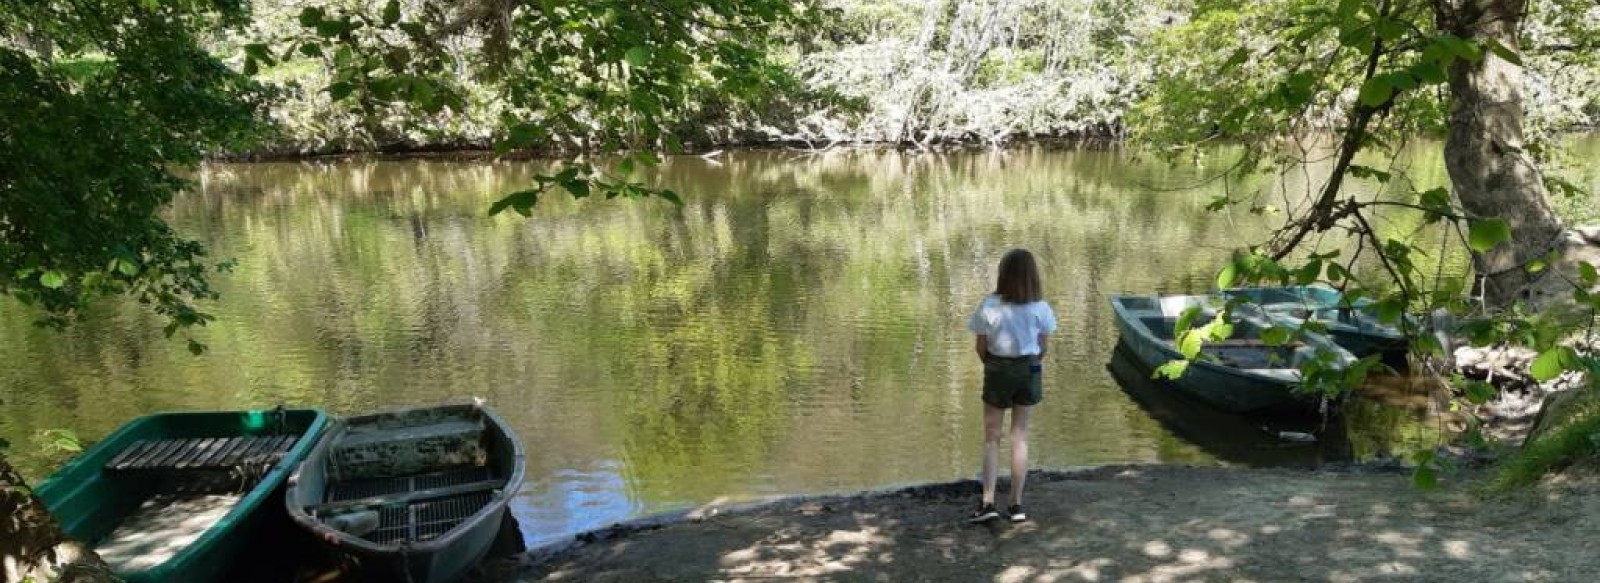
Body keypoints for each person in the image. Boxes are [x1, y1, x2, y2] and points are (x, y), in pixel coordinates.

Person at [966, 248, 1055, 523]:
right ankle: (1015, 504)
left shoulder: (989, 305)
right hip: (1029, 368)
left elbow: (981, 347)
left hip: (997, 368)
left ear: (1003, 275)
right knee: (1020, 437)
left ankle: (988, 502)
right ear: (1033, 277)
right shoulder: (1039, 307)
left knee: (992, 437)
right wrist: (1029, 363)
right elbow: (1043, 347)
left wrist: (994, 367)